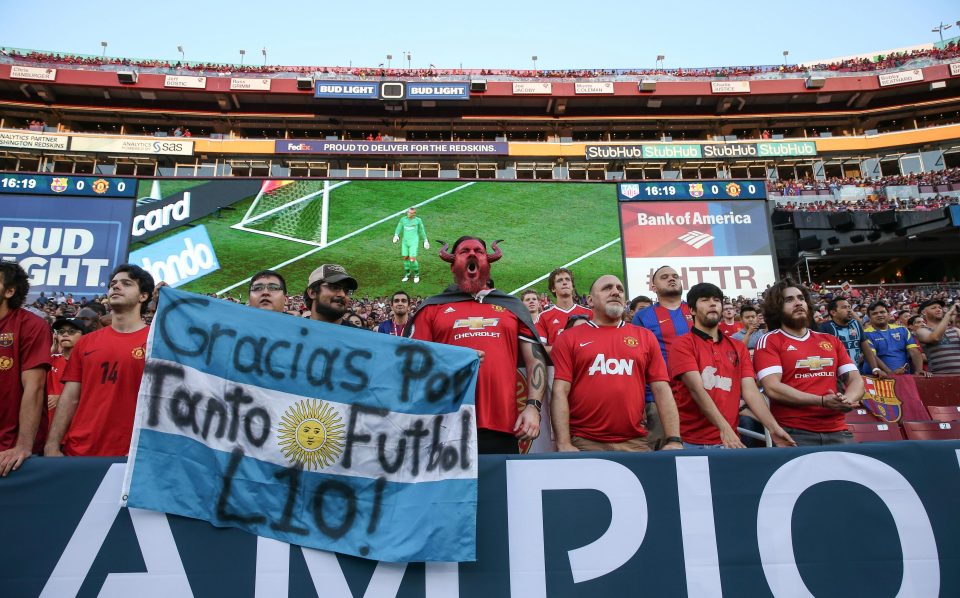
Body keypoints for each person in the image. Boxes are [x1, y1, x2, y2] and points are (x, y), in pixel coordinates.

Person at [408, 236, 548, 454]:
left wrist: (533, 407)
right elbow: (413, 363)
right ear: (453, 263)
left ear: (487, 263)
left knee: (498, 488)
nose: (472, 254)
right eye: (464, 251)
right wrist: (452, 360)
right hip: (444, 425)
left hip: (503, 425)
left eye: (479, 251)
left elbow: (535, 360)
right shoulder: (431, 308)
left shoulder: (512, 306)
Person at [551, 275, 682, 452]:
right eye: (607, 288)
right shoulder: (568, 338)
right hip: (584, 442)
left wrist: (674, 440)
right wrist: (564, 443)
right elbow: (560, 391)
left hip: (636, 442)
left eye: (620, 289)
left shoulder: (645, 337)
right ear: (590, 300)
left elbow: (661, 389)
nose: (615, 292)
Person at [45, 264, 155, 457]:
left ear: (143, 296)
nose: (116, 287)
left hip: (131, 454)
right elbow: (70, 397)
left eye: (126, 283)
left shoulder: (156, 343)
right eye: (113, 284)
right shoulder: (86, 342)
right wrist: (52, 444)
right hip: (79, 450)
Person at [668, 283, 794, 449]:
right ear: (691, 310)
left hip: (729, 441)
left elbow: (750, 391)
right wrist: (725, 428)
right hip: (692, 441)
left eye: (716, 300)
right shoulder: (682, 344)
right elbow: (696, 390)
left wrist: (773, 428)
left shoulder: (738, 346)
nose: (712, 303)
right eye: (705, 300)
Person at [753, 279, 864, 446]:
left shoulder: (830, 340)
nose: (798, 303)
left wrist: (847, 399)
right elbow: (773, 388)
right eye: (789, 300)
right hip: (794, 433)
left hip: (838, 430)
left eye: (801, 298)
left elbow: (856, 380)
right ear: (777, 308)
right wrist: (821, 401)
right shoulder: (769, 341)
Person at [631, 265, 693, 449]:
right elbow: (638, 360)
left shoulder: (697, 310)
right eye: (664, 277)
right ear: (653, 287)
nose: (671, 279)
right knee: (662, 456)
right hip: (657, 400)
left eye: (675, 276)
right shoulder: (643, 316)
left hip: (700, 397)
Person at [0, 261, 52, 476]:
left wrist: (23, 445)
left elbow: (34, 387)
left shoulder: (31, 325)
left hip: (10, 449)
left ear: (10, 291)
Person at [862, 301, 926, 377]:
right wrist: (890, 373)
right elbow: (871, 356)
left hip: (903, 377)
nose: (879, 315)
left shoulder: (902, 330)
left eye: (882, 312)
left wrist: (919, 370)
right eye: (875, 313)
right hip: (878, 379)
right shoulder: (865, 334)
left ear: (888, 314)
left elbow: (914, 351)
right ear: (869, 318)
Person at [536, 268, 592, 352]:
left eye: (567, 280)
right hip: (557, 364)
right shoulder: (543, 317)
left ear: (572, 286)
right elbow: (540, 349)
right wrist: (567, 348)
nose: (565, 282)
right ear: (553, 288)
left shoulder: (589, 313)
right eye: (559, 280)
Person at [47, 317, 87, 425]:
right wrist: (51, 350)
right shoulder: (50, 359)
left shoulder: (89, 363)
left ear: (84, 336)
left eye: (72, 331)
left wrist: (62, 400)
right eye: (61, 332)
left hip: (77, 425)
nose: (65, 334)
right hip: (48, 428)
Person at [818, 297, 869, 372]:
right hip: (836, 375)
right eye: (844, 307)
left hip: (858, 372)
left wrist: (875, 368)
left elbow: (866, 349)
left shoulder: (856, 324)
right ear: (833, 313)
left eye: (849, 307)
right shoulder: (825, 328)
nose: (849, 310)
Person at [914, 299, 960, 374]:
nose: (938, 309)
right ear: (924, 312)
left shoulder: (955, 330)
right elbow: (935, 338)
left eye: (940, 308)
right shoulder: (921, 331)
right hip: (939, 378)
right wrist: (948, 315)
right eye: (934, 308)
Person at [392, 207, 429, 283]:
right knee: (405, 258)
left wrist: (425, 240)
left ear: (414, 214)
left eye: (410, 213)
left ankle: (416, 275)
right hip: (405, 242)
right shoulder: (403, 219)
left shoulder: (418, 220)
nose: (408, 214)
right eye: (408, 212)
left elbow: (422, 230)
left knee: (412, 259)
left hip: (413, 242)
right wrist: (396, 235)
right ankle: (407, 274)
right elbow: (399, 227)